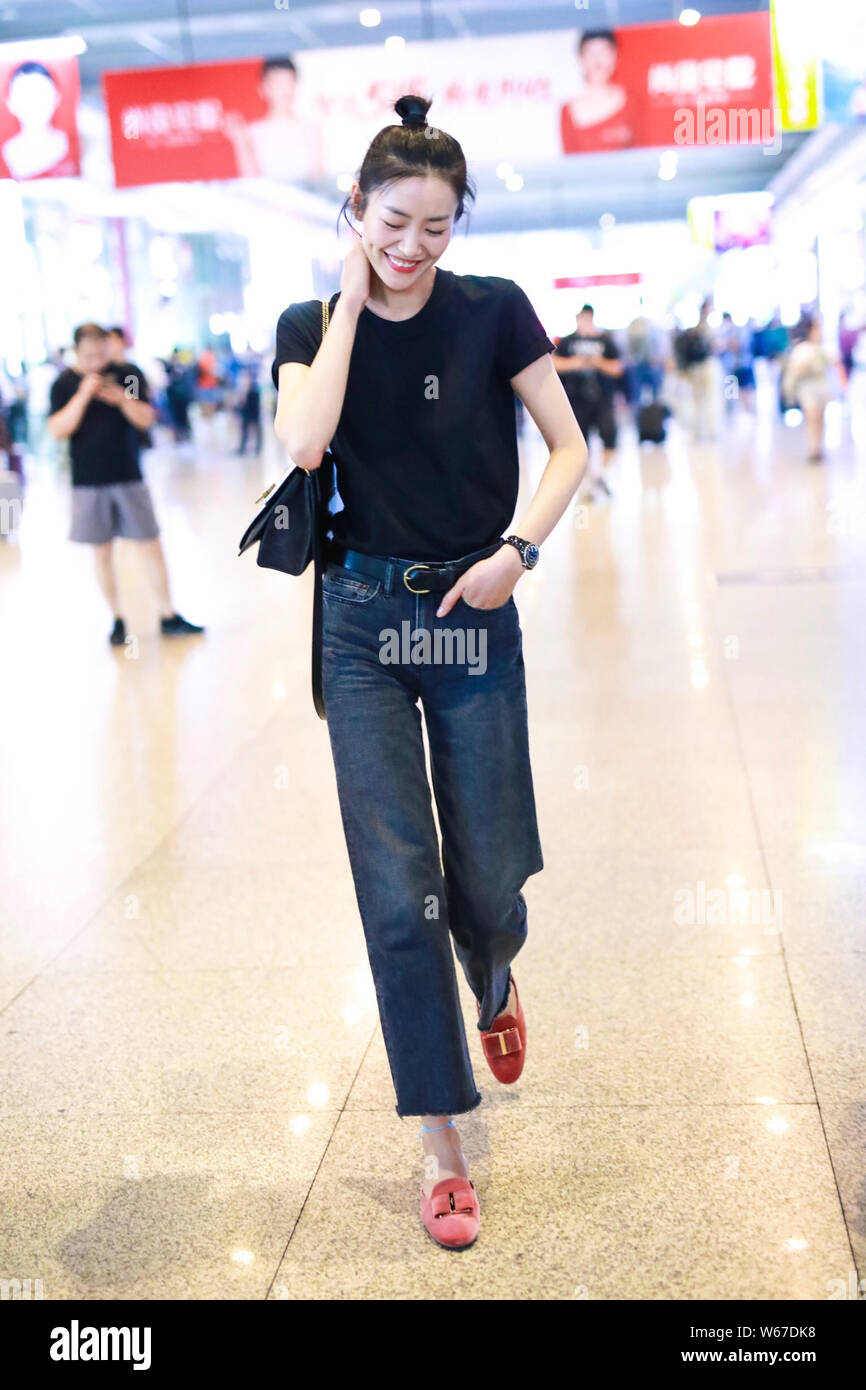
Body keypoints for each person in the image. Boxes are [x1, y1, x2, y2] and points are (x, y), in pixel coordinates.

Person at [272, 93, 586, 1251]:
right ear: (354, 209)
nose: (411, 248)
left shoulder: (495, 312)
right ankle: (440, 1140)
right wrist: (351, 305)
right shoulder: (308, 319)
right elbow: (303, 443)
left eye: (435, 228)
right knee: (397, 883)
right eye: (391, 222)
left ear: (462, 225)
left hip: (466, 607)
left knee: (487, 871)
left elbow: (568, 446)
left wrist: (518, 553)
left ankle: (493, 976)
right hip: (359, 620)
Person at [47, 323, 204, 644]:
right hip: (87, 482)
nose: (97, 361)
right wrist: (83, 395)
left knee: (151, 544)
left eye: (101, 353)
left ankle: (167, 614)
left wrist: (122, 399)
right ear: (77, 352)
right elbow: (58, 429)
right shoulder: (63, 384)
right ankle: (118, 619)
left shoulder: (128, 373)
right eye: (89, 356)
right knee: (102, 552)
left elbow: (146, 418)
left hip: (129, 474)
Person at [551, 303, 623, 497]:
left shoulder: (606, 340)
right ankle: (588, 481)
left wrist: (597, 362)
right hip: (577, 400)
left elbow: (617, 368)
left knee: (610, 437)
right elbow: (553, 364)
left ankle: (602, 476)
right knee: (581, 444)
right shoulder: (567, 341)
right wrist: (575, 363)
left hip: (603, 398)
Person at [224, 56, 324, 181]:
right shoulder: (253, 132)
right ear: (263, 88)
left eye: (289, 82)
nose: (285, 89)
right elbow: (251, 181)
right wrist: (240, 142)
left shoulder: (309, 127)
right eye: (278, 83)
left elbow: (318, 177)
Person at [560, 29, 636, 154]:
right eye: (591, 52)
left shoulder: (632, 102)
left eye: (604, 51)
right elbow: (570, 165)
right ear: (581, 59)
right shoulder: (568, 110)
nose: (597, 60)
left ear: (615, 55)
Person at [782, 315, 844, 463]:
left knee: (820, 418)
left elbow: (833, 363)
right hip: (808, 389)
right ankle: (813, 448)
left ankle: (818, 447)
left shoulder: (820, 348)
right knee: (812, 418)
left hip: (821, 388)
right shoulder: (802, 349)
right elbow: (794, 370)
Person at [1, 60, 76, 180]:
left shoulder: (71, 144)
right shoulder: (8, 152)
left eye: (42, 94)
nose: (35, 104)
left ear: (56, 97)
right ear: (10, 102)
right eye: (25, 96)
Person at [674, 298, 718, 440]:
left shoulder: (697, 327)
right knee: (703, 399)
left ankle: (702, 429)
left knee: (699, 399)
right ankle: (704, 429)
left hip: (696, 367)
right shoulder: (703, 328)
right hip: (703, 366)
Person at [106, 325, 155, 450]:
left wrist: (122, 398)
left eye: (112, 340)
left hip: (131, 433)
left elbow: (135, 399)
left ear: (121, 341)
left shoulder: (131, 372)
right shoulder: (104, 371)